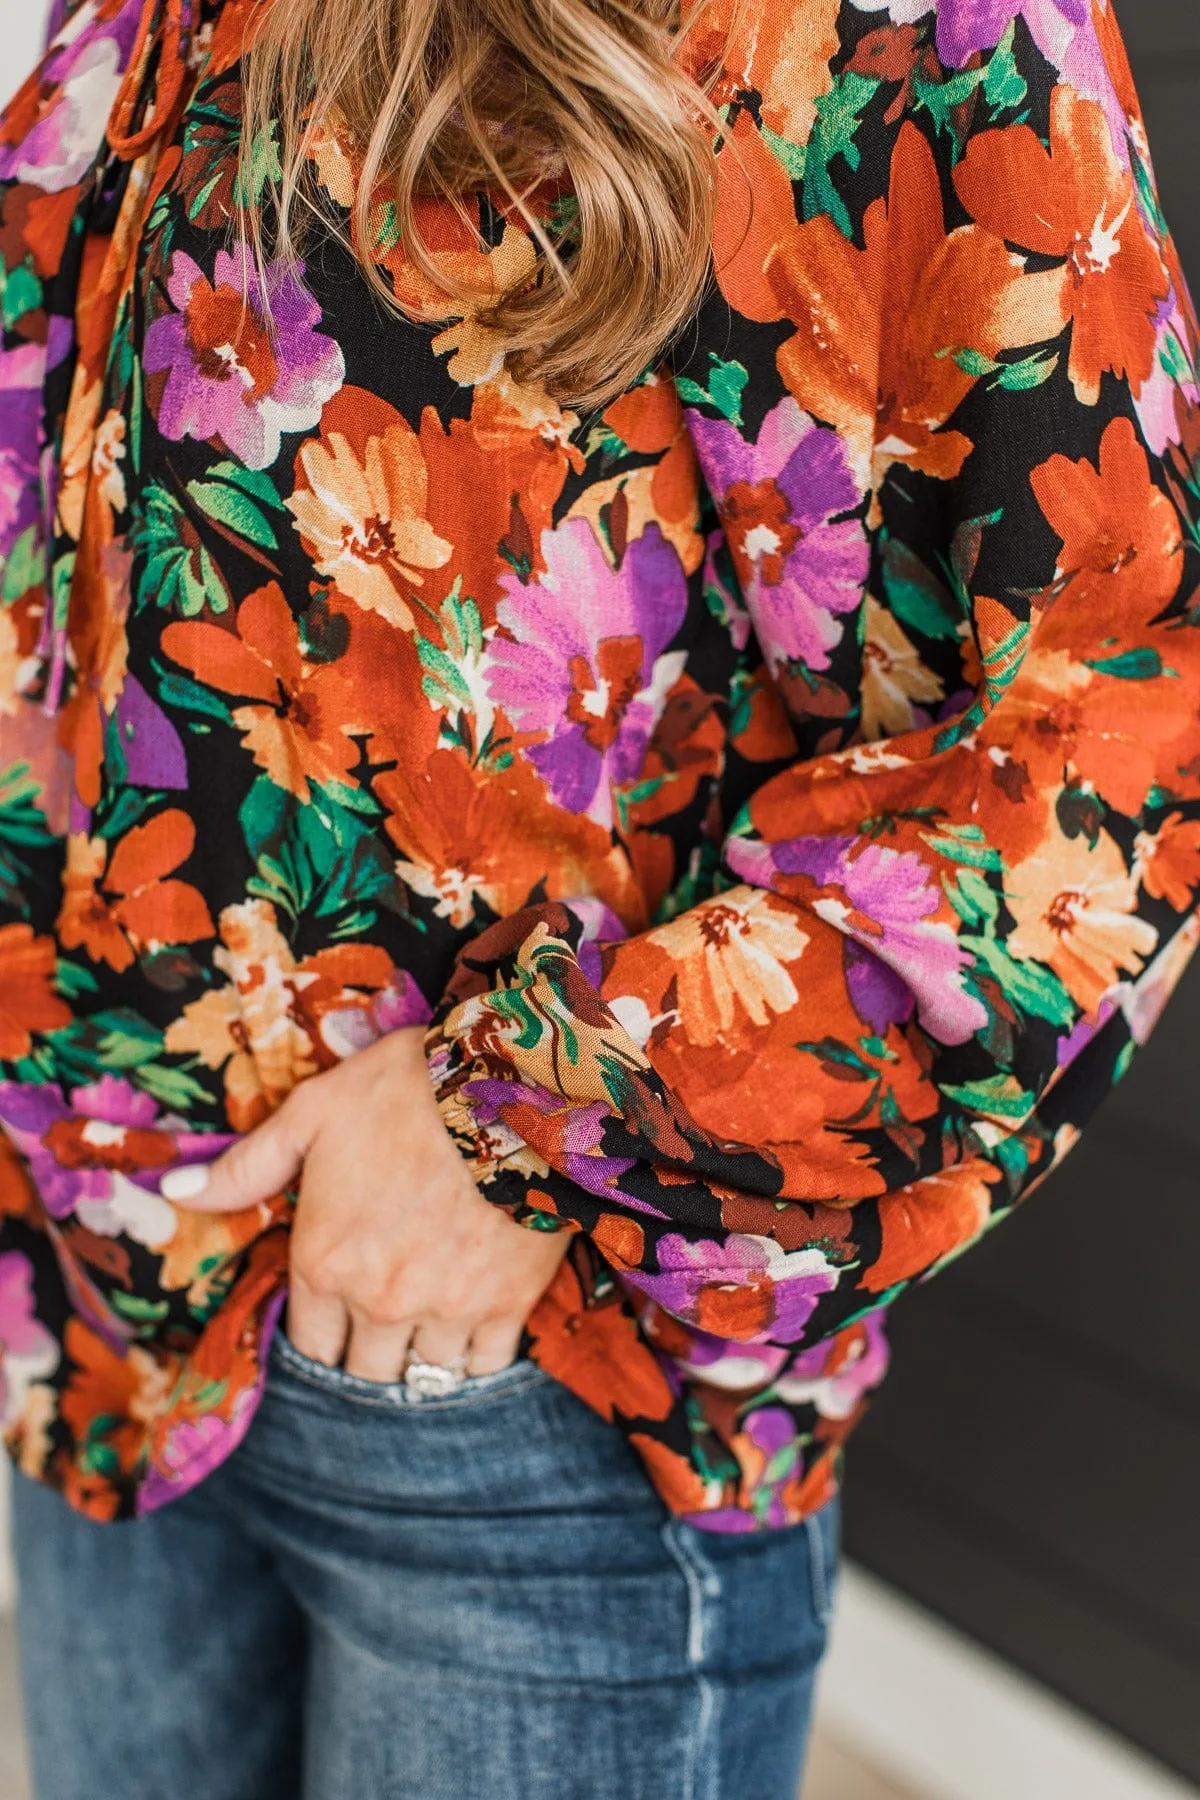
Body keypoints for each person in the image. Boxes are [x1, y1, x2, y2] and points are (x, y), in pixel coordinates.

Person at [1, 0, 1198, 1794]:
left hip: (529, 1403)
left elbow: (1111, 733)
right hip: (101, 1327)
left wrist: (542, 1120)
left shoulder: (906, 25)